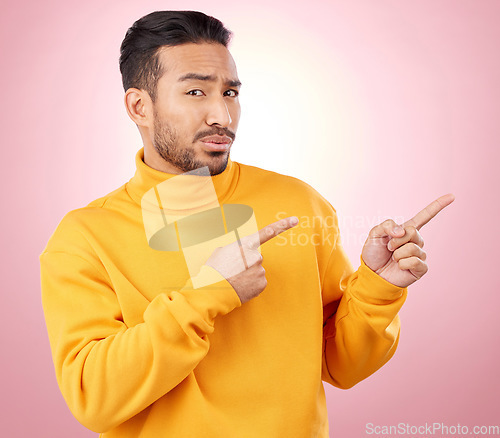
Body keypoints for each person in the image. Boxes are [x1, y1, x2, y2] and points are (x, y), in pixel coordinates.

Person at [40, 10, 454, 437]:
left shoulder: (298, 202)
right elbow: (94, 397)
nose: (221, 114)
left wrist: (376, 287)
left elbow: (340, 365)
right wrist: (208, 293)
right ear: (139, 106)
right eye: (196, 91)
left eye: (230, 92)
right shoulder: (84, 238)